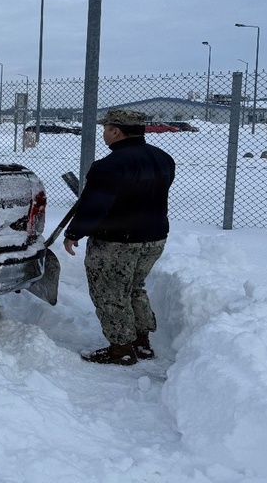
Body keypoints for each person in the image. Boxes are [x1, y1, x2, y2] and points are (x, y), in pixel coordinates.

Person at [62, 109, 176, 366]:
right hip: (155, 237)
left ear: (116, 131)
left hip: (116, 242)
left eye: (106, 128)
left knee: (110, 293)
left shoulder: (109, 166)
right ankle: (142, 343)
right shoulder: (163, 158)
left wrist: (74, 233)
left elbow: (94, 206)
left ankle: (120, 349)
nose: (104, 133)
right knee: (134, 288)